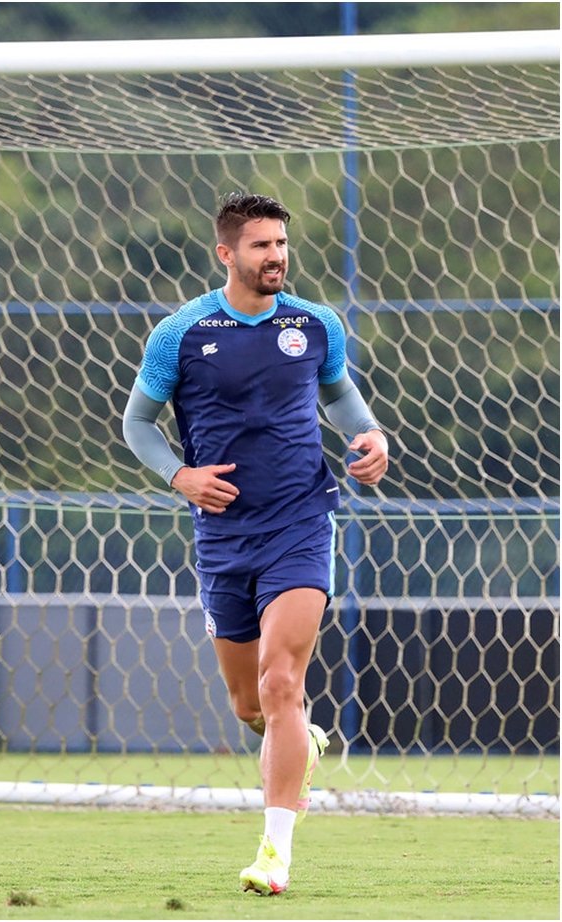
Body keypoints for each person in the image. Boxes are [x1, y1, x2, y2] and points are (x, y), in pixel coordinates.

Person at [122, 192, 389, 895]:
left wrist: (369, 435)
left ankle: (273, 856)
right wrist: (178, 474)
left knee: (281, 681)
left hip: (300, 523)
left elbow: (337, 398)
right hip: (222, 540)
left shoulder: (314, 324)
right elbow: (138, 425)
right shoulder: (180, 334)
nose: (276, 257)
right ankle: (299, 736)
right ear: (227, 253)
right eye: (261, 246)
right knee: (251, 705)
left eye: (280, 244)